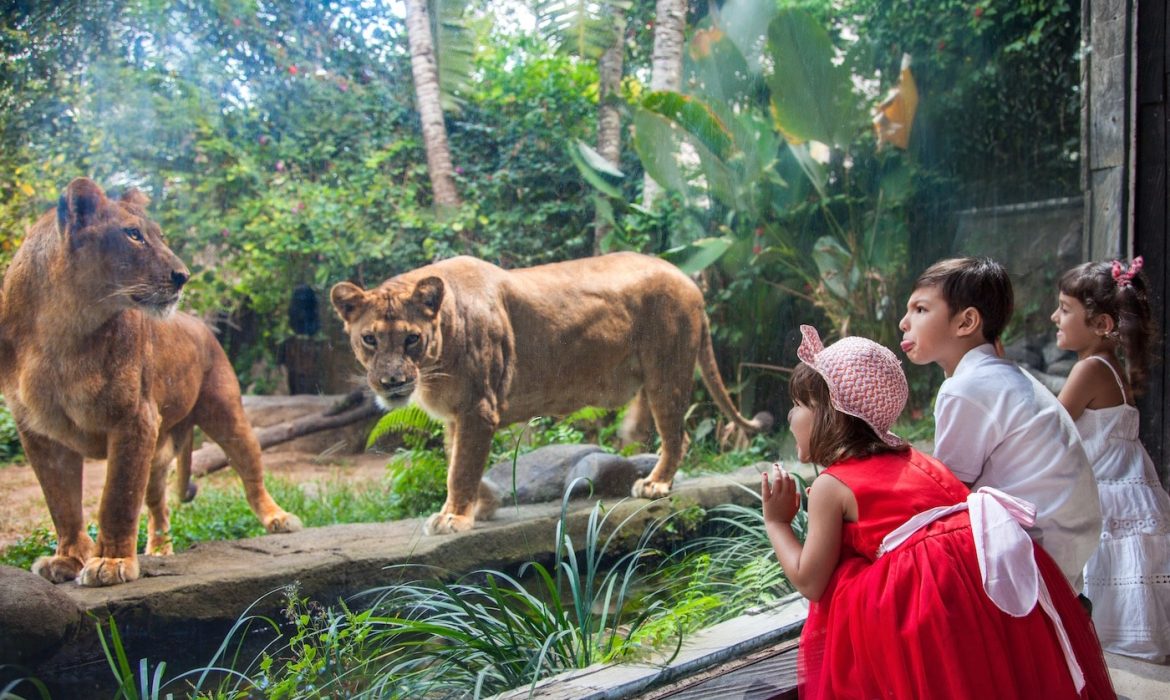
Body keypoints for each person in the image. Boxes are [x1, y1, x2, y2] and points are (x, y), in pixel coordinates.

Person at [763, 325, 1115, 699]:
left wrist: (777, 521)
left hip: (925, 620)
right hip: (979, 600)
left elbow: (810, 581)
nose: (790, 416)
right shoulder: (918, 459)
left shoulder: (833, 486)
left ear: (832, 414)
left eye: (800, 404)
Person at [897, 257, 1101, 593]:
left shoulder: (965, 388)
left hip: (1034, 551)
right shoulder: (1003, 374)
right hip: (1068, 542)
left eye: (920, 309)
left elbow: (948, 490)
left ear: (966, 322)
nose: (905, 323)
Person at [1051, 256, 1170, 662]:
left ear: (1101, 325)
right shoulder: (1108, 366)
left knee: (1110, 635)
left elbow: (1050, 428)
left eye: (1065, 310)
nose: (1055, 317)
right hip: (1130, 498)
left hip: (1110, 504)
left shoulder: (1090, 370)